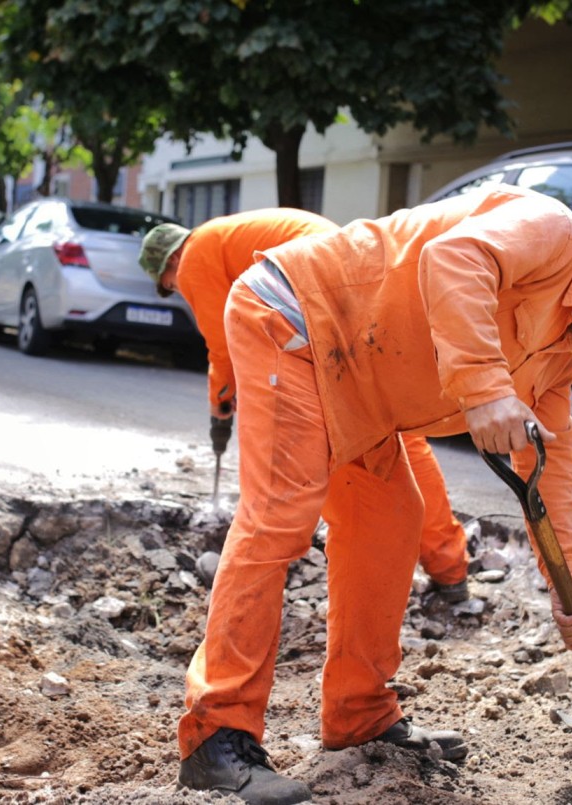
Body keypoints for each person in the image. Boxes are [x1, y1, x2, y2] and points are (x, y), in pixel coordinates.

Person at [171, 184, 572, 804]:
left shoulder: (563, 349)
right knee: (281, 516)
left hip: (361, 391)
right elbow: (453, 258)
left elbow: (552, 460)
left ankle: (358, 714)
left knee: (394, 519)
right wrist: (485, 390)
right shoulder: (553, 232)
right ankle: (217, 737)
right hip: (294, 322)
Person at [138, 210, 473, 603]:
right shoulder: (224, 236)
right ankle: (450, 571)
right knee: (393, 434)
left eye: (170, 285)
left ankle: (266, 556)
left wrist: (220, 402)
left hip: (317, 292)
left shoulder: (195, 255)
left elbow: (223, 347)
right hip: (350, 281)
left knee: (311, 441)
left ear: (171, 261)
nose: (179, 290)